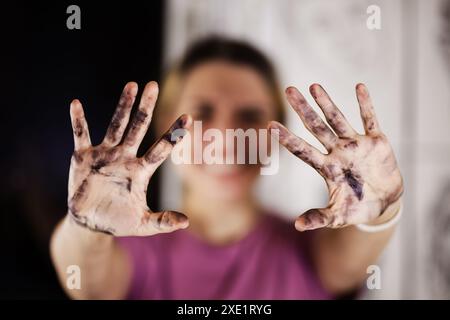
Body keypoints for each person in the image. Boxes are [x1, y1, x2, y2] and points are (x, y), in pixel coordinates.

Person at [50, 37, 403, 299]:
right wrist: (87, 226)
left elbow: (351, 258)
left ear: (277, 134)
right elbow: (85, 282)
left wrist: (380, 208)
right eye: (200, 114)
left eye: (249, 117)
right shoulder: (134, 253)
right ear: (165, 130)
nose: (224, 135)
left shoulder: (309, 250)